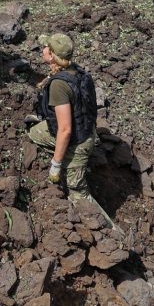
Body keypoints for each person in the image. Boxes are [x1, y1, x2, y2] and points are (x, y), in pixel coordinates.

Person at [28, 33, 98, 202]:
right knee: (34, 132)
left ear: (51, 55)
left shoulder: (59, 85)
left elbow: (65, 130)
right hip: (87, 129)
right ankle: (65, 153)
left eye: (45, 47)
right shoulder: (76, 71)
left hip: (78, 142)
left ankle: (67, 158)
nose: (42, 49)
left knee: (79, 195)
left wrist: (56, 165)